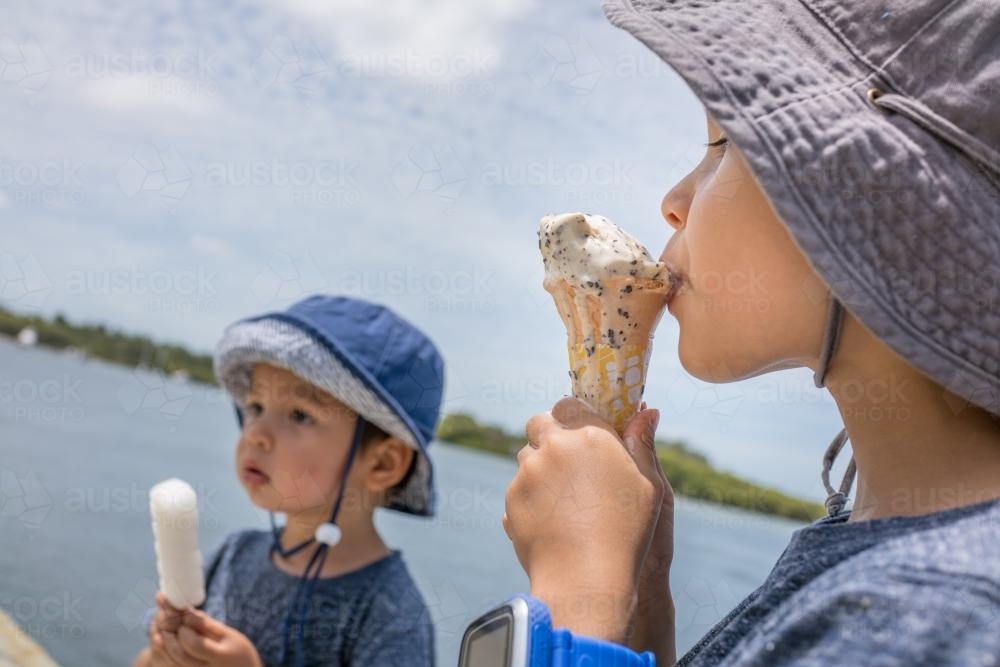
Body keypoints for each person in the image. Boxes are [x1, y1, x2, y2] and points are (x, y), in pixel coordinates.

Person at [503, 0, 1000, 665]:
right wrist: (640, 598)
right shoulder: (888, 546)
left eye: (721, 144)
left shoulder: (932, 607)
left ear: (866, 195)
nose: (673, 199)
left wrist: (580, 597)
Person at [134, 295, 444, 667]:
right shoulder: (233, 555)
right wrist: (161, 653)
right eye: (255, 407)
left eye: (299, 415)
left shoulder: (390, 614)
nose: (255, 434)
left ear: (383, 463)